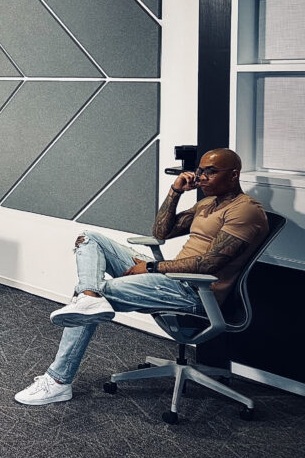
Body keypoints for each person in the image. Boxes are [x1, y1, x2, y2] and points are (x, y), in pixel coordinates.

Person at [14, 148, 269, 406]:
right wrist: (175, 191)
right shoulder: (206, 204)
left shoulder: (245, 211)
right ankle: (89, 295)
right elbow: (161, 230)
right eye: (200, 170)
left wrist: (151, 267)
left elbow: (210, 263)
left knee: (97, 294)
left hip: (194, 291)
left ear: (234, 174)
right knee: (89, 239)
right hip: (171, 277)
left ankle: (58, 381)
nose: (201, 177)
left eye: (210, 172)